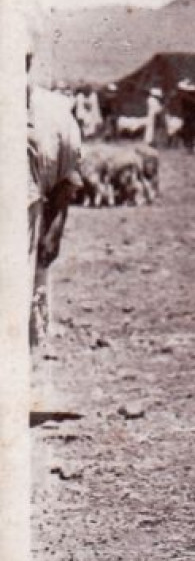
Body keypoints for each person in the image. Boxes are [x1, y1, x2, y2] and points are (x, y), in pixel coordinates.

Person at [27, 49, 83, 345]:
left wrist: (56, 225)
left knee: (30, 294)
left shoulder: (52, 113)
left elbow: (66, 176)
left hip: (29, 217)